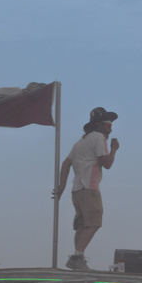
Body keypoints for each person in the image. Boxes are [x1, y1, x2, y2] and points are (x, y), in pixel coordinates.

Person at [53, 107, 119, 270]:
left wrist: (62, 186)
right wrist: (114, 149)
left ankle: (78, 258)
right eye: (108, 126)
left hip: (77, 189)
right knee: (94, 222)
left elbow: (66, 163)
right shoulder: (98, 138)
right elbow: (107, 163)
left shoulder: (80, 141)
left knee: (83, 224)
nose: (110, 130)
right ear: (100, 125)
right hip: (89, 187)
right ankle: (77, 257)